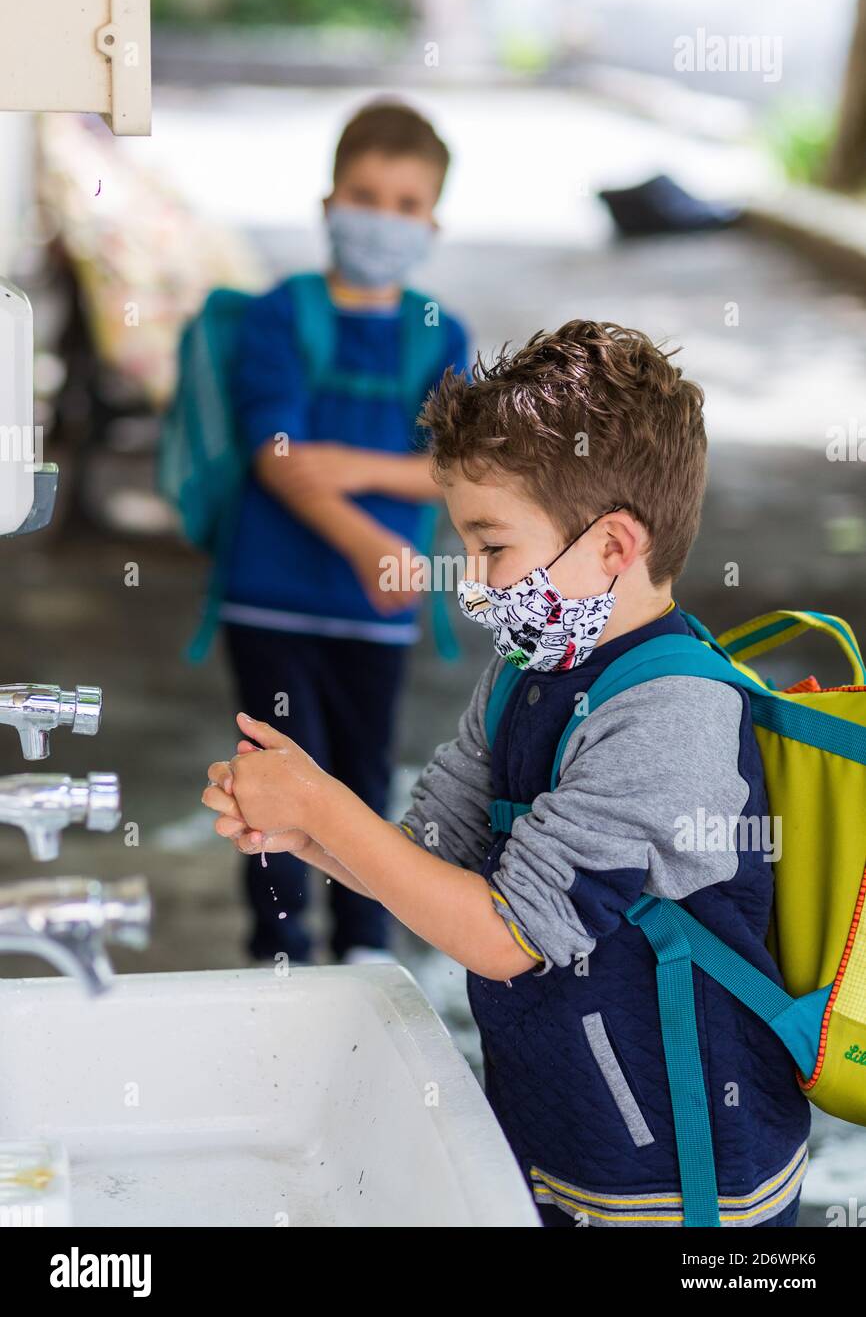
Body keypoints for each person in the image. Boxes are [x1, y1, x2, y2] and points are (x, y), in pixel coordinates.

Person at [203, 319, 811, 1227]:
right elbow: (429, 859)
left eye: (493, 546)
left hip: (686, 1179)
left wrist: (328, 806)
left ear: (613, 546)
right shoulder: (525, 674)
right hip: (559, 1144)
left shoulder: (673, 712)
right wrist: (306, 835)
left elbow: (503, 934)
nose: (474, 581)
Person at [220, 99, 468, 965]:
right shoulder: (282, 312)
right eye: (365, 195)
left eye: (406, 203)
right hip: (271, 600)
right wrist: (372, 540)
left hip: (377, 611)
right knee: (269, 783)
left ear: (432, 219)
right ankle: (275, 948)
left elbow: (456, 466)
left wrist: (347, 465)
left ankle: (365, 944)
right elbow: (272, 452)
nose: (383, 219)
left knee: (364, 774)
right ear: (329, 204)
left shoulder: (440, 331)